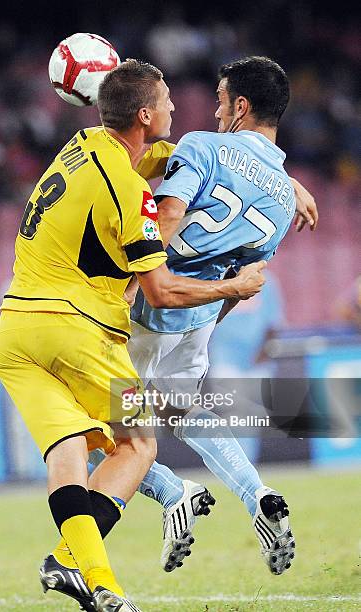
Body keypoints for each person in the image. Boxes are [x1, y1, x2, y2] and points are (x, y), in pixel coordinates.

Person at [0, 59, 266, 612]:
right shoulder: (131, 195)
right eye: (165, 101)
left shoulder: (84, 144)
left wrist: (288, 180)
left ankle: (89, 581)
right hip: (78, 334)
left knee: (69, 453)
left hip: (16, 336)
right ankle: (77, 565)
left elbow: (154, 155)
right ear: (144, 113)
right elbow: (160, 291)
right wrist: (233, 287)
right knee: (138, 443)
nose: (174, 108)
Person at [121, 56, 317, 577]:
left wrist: (133, 287)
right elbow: (243, 284)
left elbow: (165, 217)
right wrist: (205, 320)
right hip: (198, 319)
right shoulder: (283, 198)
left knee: (87, 428)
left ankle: (172, 492)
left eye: (220, 100)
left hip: (144, 312)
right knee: (180, 412)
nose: (213, 109)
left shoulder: (202, 145)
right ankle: (259, 496)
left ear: (241, 106)